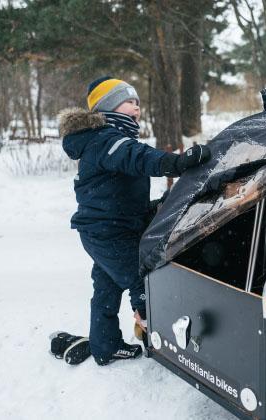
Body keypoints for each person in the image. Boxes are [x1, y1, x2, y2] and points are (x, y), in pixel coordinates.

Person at [57, 76, 211, 365]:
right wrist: (179, 163)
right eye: (129, 102)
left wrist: (157, 207)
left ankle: (105, 346)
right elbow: (139, 158)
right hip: (108, 232)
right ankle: (160, 342)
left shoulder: (108, 141)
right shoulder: (107, 140)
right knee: (143, 282)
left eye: (138, 103)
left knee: (107, 286)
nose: (137, 108)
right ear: (107, 108)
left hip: (109, 229)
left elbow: (120, 191)